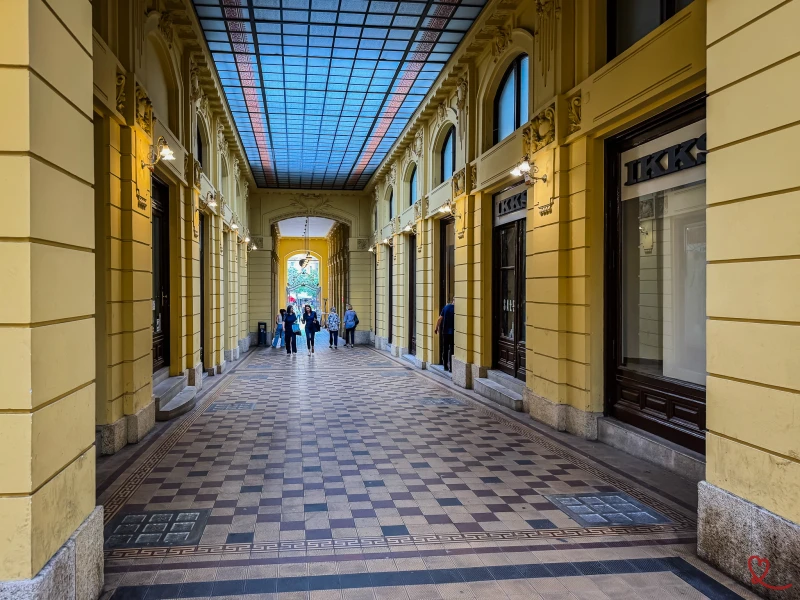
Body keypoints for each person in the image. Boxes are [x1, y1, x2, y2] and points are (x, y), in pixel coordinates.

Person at [435, 297, 455, 372]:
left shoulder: (446, 307)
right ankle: (451, 367)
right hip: (453, 333)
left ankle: (445, 366)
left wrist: (436, 328)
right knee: (452, 350)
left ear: (452, 301)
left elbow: (440, 318)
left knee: (445, 349)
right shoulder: (457, 309)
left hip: (445, 332)